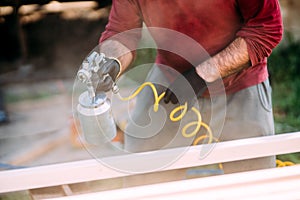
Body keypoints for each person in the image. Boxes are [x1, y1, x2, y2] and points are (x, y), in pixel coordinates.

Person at [96, 0, 283, 174]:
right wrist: (112, 62)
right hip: (169, 78)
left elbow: (266, 29)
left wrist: (201, 76)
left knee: (253, 183)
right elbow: (122, 31)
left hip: (239, 84)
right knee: (141, 170)